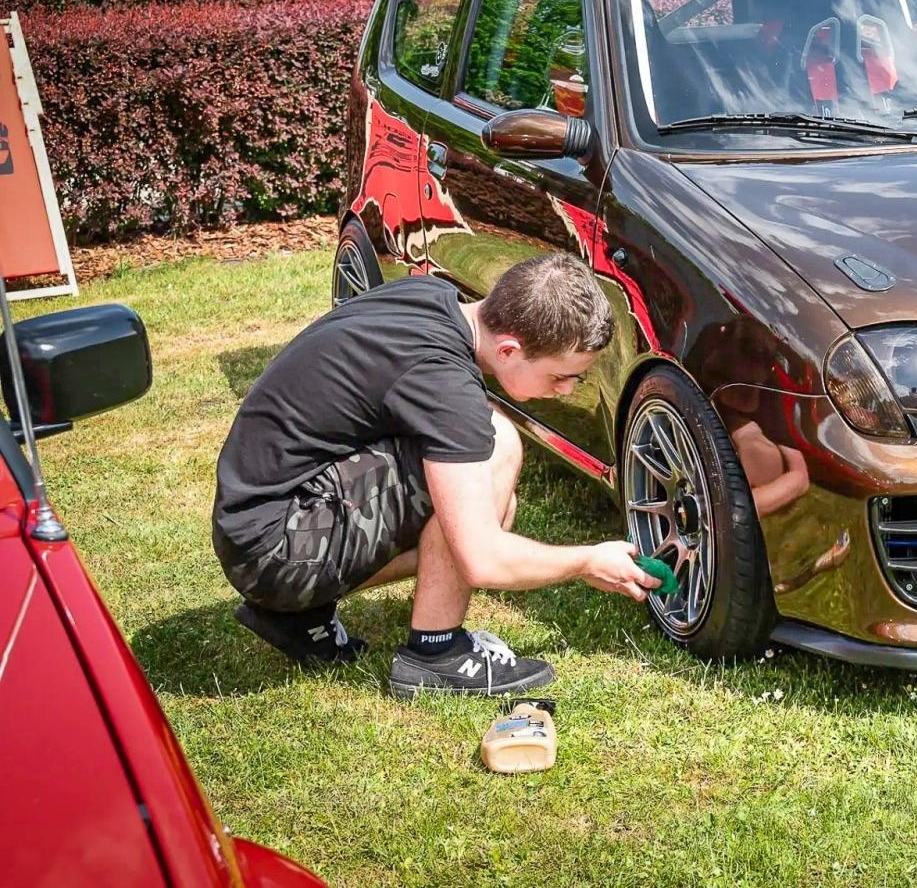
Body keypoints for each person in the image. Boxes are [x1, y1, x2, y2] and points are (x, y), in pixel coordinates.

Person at [212, 254, 659, 700]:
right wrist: (586, 562)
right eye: (562, 376)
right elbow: (481, 560)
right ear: (508, 350)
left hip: (254, 528)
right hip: (274, 548)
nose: (567, 390)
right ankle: (435, 654)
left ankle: (296, 614)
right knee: (495, 448)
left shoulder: (431, 298)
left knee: (492, 502)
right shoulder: (443, 382)